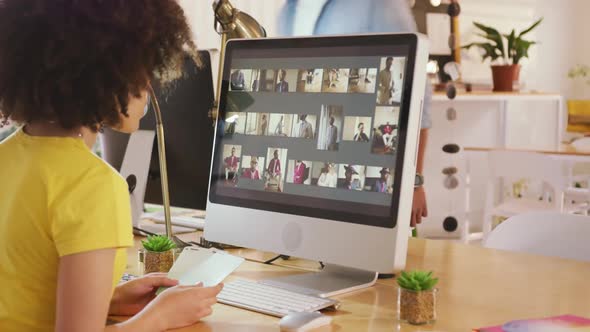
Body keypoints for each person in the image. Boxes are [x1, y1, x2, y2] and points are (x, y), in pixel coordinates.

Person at [0, 1, 223, 331]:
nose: (149, 87)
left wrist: (110, 297)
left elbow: (21, 289)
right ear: (99, 72)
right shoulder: (95, 186)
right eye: (140, 69)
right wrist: (160, 316)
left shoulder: (6, 154)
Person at [278, 0, 431, 227]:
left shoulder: (377, 4)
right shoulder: (287, 13)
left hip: (365, 174)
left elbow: (418, 95)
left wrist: (413, 181)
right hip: (308, 176)